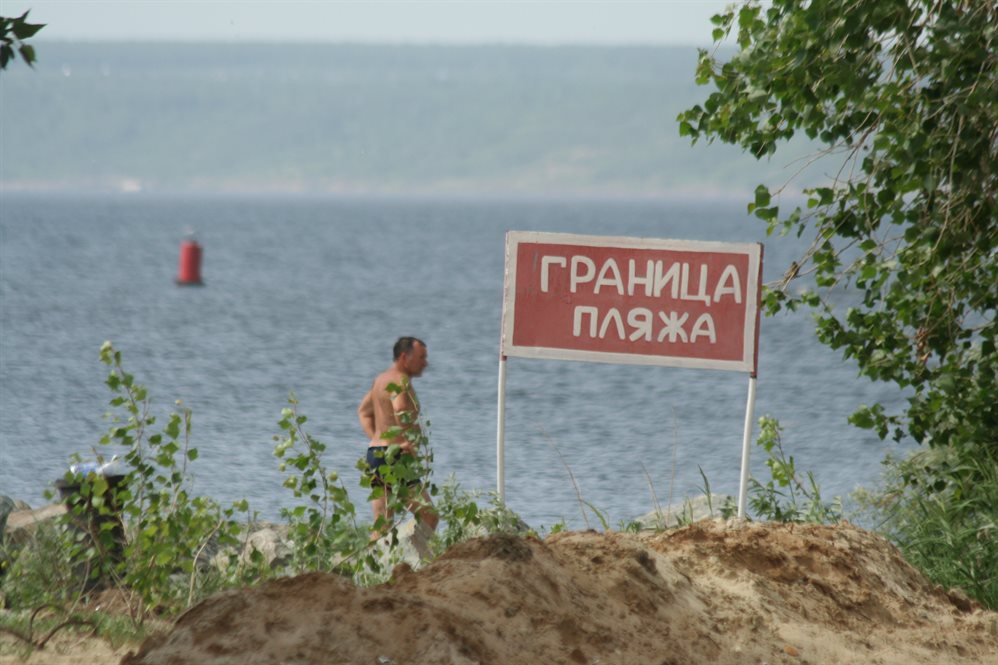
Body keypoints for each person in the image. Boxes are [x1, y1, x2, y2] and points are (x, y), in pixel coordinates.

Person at [357, 336, 439, 541]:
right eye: (421, 357)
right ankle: (415, 561)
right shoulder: (400, 381)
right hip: (396, 458)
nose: (425, 363)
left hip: (375, 455)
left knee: (382, 522)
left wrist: (378, 441)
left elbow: (363, 412)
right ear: (404, 357)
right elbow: (401, 409)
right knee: (429, 516)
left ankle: (370, 568)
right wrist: (406, 443)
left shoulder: (380, 380)